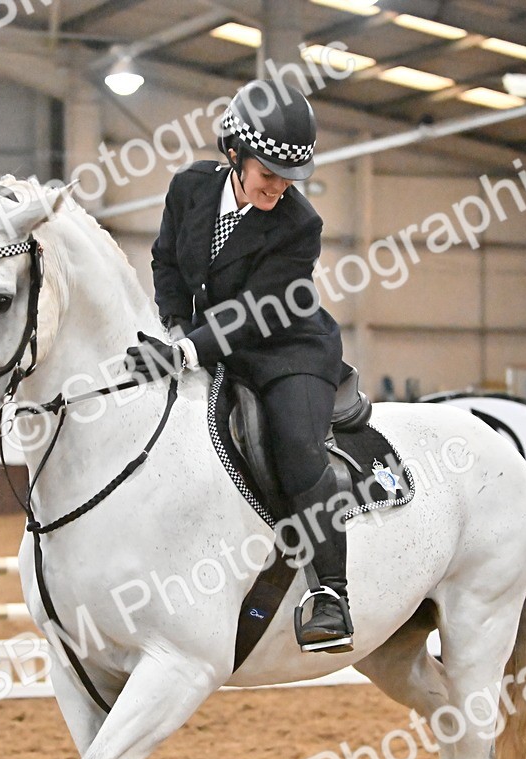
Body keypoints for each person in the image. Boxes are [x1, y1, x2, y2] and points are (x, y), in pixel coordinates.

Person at [126, 80, 352, 653]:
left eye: (287, 177)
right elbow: (166, 263)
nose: (279, 187)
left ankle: (330, 590)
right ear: (234, 154)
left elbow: (257, 315)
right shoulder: (190, 189)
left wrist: (184, 352)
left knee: (297, 444)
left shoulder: (300, 225)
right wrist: (176, 327)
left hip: (286, 349)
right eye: (268, 173)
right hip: (204, 340)